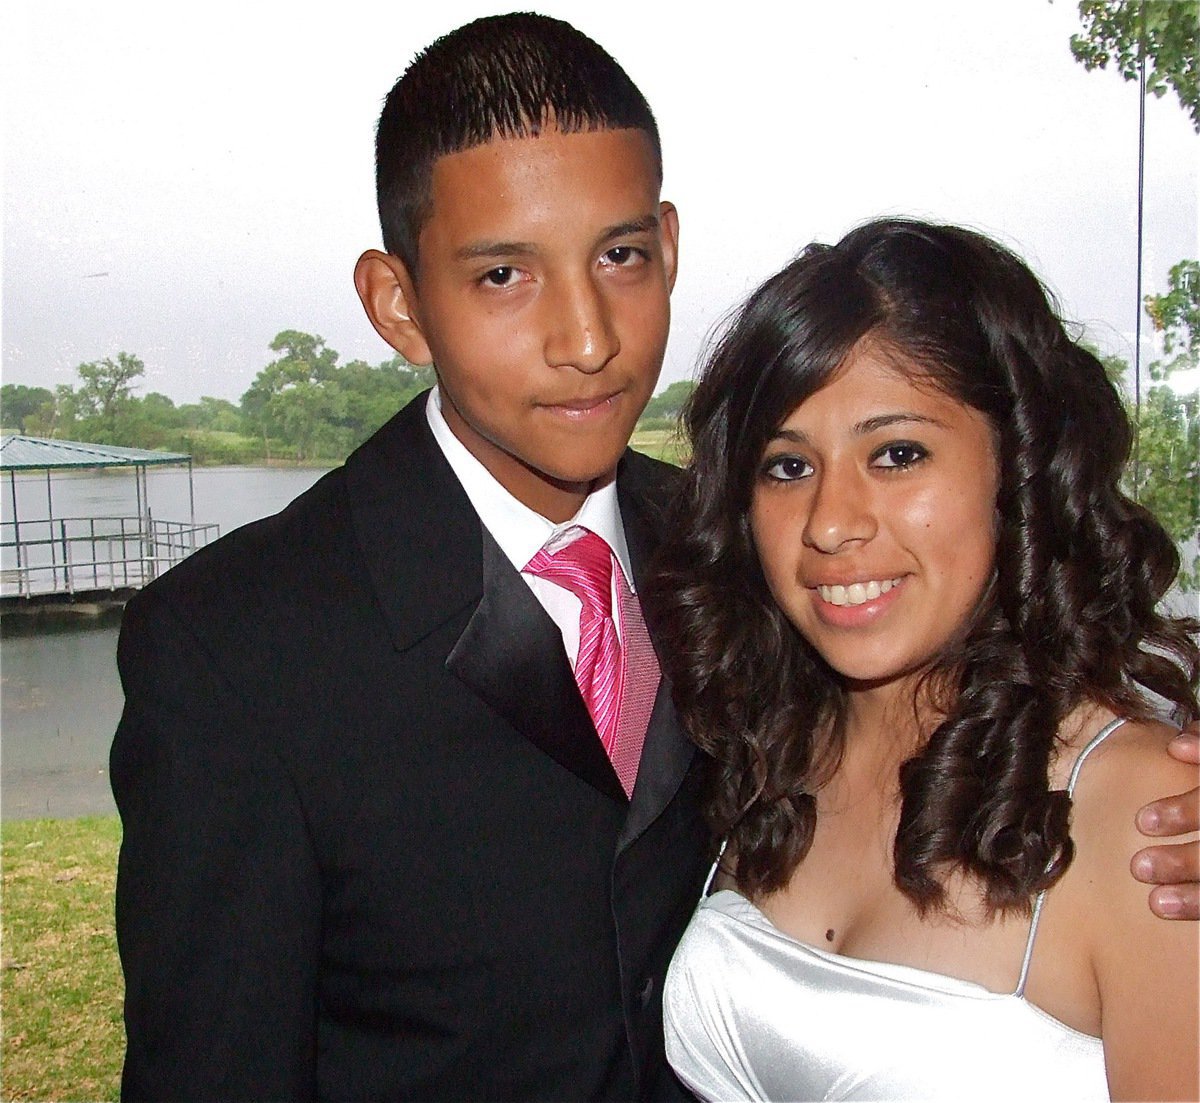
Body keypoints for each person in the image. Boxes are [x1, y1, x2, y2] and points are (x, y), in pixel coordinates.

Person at [108, 16, 1198, 1102]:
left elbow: (1027, 667)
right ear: (401, 303)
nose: (587, 336)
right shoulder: (234, 649)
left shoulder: (742, 555)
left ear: (669, 245)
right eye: (503, 275)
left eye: (621, 256)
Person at [655, 218, 1200, 1101]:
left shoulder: (1149, 821)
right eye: (787, 467)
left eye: (897, 454)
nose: (832, 521)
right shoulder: (754, 746)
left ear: (1015, 471)